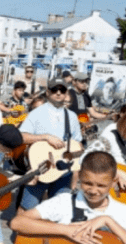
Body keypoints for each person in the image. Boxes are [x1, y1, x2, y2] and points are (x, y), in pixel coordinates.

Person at [18, 78, 83, 212]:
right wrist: (46, 137)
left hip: (63, 171)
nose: (58, 93)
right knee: (27, 208)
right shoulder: (36, 113)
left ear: (66, 93)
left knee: (59, 212)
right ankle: (19, 232)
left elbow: (77, 143)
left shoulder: (71, 116)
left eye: (62, 90)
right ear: (47, 93)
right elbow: (21, 137)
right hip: (40, 166)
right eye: (54, 90)